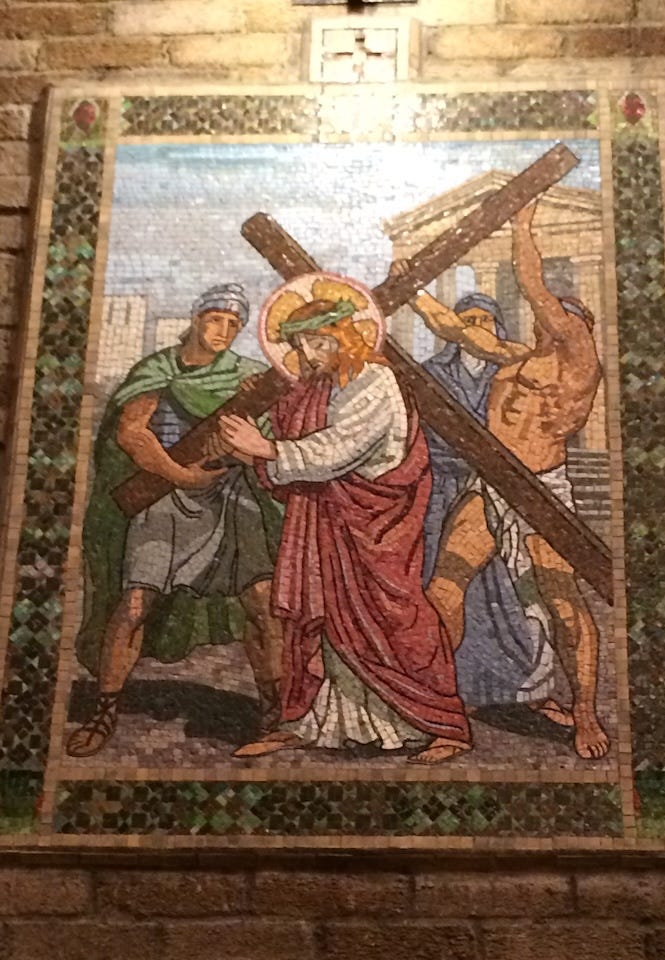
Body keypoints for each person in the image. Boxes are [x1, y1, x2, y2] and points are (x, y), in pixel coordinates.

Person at [219, 292, 471, 765]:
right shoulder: (323, 384)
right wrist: (271, 410)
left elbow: (338, 449)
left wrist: (267, 449)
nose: (309, 354)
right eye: (302, 345)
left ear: (346, 337)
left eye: (318, 343)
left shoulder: (376, 381)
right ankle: (309, 722)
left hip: (374, 524)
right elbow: (299, 427)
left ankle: (439, 723)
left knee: (395, 618)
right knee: (318, 620)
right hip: (325, 520)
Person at [409, 200, 609, 760]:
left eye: (564, 316)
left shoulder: (579, 366)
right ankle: (444, 714)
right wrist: (408, 291)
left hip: (543, 493)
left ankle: (585, 713)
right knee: (443, 590)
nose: (551, 319)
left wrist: (521, 226)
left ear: (580, 328)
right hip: (490, 487)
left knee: (563, 602)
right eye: (552, 317)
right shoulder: (514, 357)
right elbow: (451, 327)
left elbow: (533, 284)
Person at [67, 282, 284, 758]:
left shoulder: (248, 377)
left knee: (263, 601)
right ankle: (104, 710)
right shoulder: (159, 369)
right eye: (215, 319)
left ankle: (275, 713)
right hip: (166, 494)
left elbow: (271, 435)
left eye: (233, 324)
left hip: (230, 497)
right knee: (135, 603)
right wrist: (182, 475)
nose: (223, 331)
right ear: (196, 318)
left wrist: (250, 423)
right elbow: (132, 435)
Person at [398, 279, 559, 718]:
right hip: (439, 493)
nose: (477, 328)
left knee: (503, 592)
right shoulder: (429, 373)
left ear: (498, 329)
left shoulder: (509, 375)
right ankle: (444, 690)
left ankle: (513, 685)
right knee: (441, 587)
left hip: (492, 492)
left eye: (485, 321)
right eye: (468, 320)